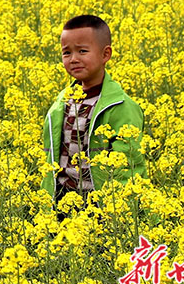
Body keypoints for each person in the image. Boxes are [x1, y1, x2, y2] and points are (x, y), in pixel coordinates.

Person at [40, 15, 145, 203]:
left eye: (82, 51)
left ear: (106, 54)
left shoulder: (121, 107)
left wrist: (118, 212)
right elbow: (51, 159)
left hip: (102, 207)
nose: (73, 59)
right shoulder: (62, 102)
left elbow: (128, 167)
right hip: (61, 205)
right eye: (66, 53)